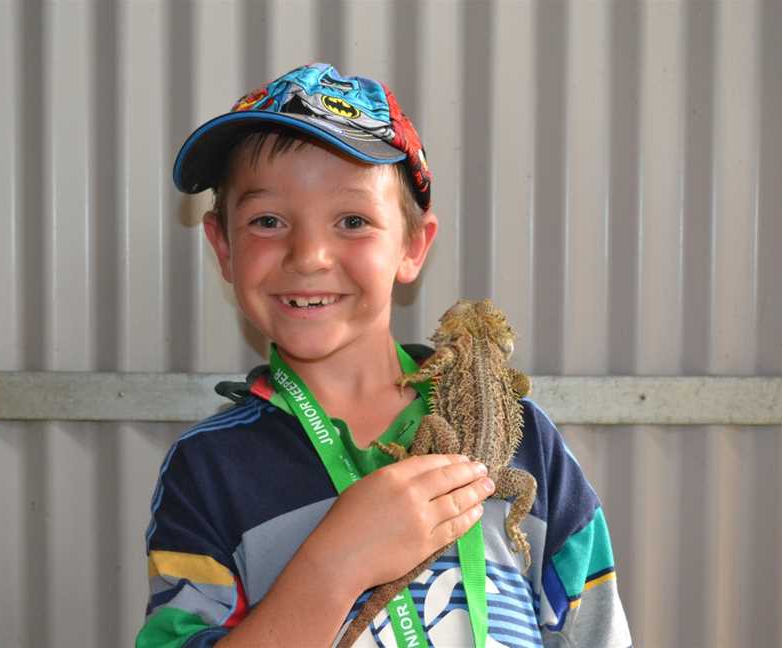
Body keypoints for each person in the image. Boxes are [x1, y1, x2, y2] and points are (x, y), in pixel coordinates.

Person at [137, 63, 631, 648]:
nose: (311, 255)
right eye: (267, 221)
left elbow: (594, 630)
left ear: (413, 246)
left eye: (353, 221)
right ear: (223, 246)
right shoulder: (207, 469)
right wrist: (333, 565)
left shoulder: (532, 444)